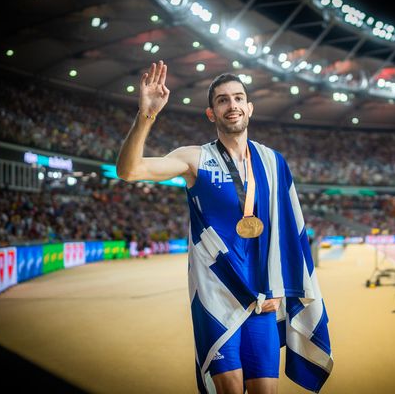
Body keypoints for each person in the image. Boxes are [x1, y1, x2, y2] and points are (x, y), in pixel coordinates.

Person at [117, 60, 332, 394]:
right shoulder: (194, 159)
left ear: (249, 107)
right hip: (216, 296)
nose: (231, 105)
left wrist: (279, 288)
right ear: (211, 113)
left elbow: (289, 233)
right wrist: (147, 115)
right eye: (222, 100)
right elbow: (129, 171)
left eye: (237, 98)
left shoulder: (274, 162)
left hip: (262, 299)